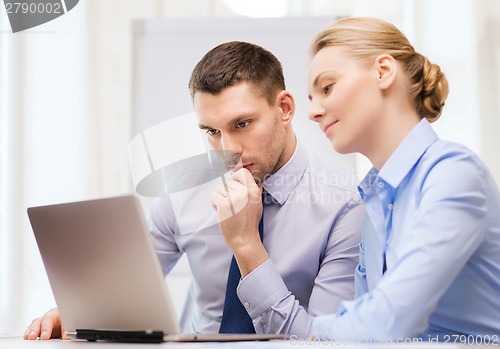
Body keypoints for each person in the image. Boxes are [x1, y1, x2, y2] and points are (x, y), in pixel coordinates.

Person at [25, 41, 364, 340]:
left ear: (285, 109)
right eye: (212, 132)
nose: (227, 148)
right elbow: (123, 285)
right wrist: (75, 312)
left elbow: (323, 344)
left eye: (241, 124)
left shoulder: (344, 205)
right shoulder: (184, 191)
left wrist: (247, 247)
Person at [307, 17, 500, 341]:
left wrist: (319, 331)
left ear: (383, 72)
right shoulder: (374, 201)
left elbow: (385, 320)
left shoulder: (453, 173)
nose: (313, 111)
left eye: (326, 88)